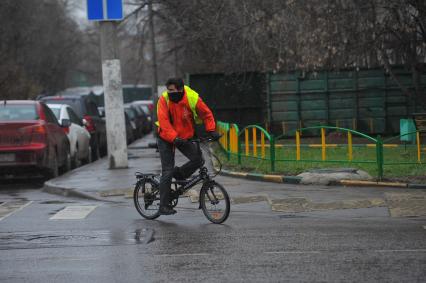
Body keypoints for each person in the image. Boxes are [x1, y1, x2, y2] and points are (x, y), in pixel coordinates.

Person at [156, 78, 220, 215]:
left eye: (172, 90)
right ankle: (163, 205)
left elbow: (206, 114)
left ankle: (179, 174)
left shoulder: (192, 97)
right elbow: (164, 123)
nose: (169, 93)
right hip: (165, 137)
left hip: (184, 137)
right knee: (167, 170)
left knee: (199, 159)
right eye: (168, 90)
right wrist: (174, 138)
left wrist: (211, 130)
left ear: (180, 89)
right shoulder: (164, 99)